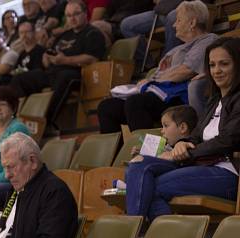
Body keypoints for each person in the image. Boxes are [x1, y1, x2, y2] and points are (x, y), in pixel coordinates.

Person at [124, 37, 240, 222]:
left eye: (224, 64)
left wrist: (188, 152)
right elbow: (196, 135)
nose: (216, 70)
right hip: (199, 164)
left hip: (227, 173)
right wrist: (183, 144)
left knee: (150, 185)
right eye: (212, 65)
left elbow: (228, 140)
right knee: (137, 166)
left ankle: (139, 235)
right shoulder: (213, 101)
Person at [97, 1, 216, 133]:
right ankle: (120, 152)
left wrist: (151, 81)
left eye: (178, 20)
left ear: (192, 23)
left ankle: (146, 151)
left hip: (178, 97)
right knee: (107, 107)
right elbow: (160, 73)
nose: (174, 24)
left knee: (136, 102)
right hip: (160, 94)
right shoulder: (175, 50)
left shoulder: (207, 41)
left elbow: (187, 70)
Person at [10, 0, 106, 130]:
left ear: (85, 13)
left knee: (64, 77)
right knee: (20, 79)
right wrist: (47, 57)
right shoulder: (64, 35)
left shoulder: (93, 33)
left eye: (76, 14)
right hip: (53, 71)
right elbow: (53, 54)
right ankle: (20, 119)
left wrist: (64, 60)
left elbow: (92, 59)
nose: (72, 18)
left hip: (78, 73)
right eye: (69, 15)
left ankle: (46, 121)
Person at [128, 105, 198, 163]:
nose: (162, 131)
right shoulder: (167, 147)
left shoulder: (191, 146)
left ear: (182, 127)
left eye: (166, 125)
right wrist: (143, 153)